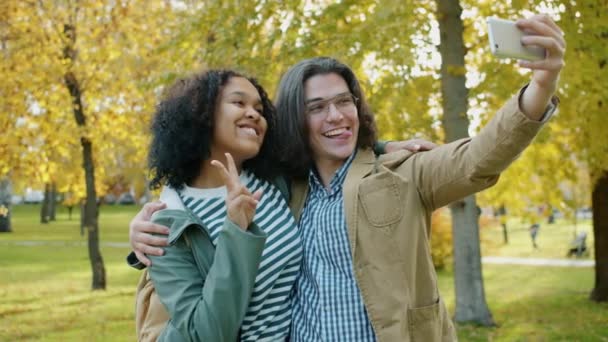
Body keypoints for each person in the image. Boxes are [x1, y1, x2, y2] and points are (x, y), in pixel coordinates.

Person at [131, 14, 565, 341]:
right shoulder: (275, 190)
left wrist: (540, 88)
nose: (335, 116)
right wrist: (144, 238)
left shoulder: (396, 174)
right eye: (316, 107)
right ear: (297, 122)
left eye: (344, 102)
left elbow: (478, 157)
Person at [136, 69, 303, 341]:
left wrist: (379, 147)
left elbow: (329, 144)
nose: (254, 114)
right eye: (239, 103)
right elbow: (205, 334)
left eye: (259, 109)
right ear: (201, 115)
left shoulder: (274, 180)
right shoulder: (166, 225)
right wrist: (236, 229)